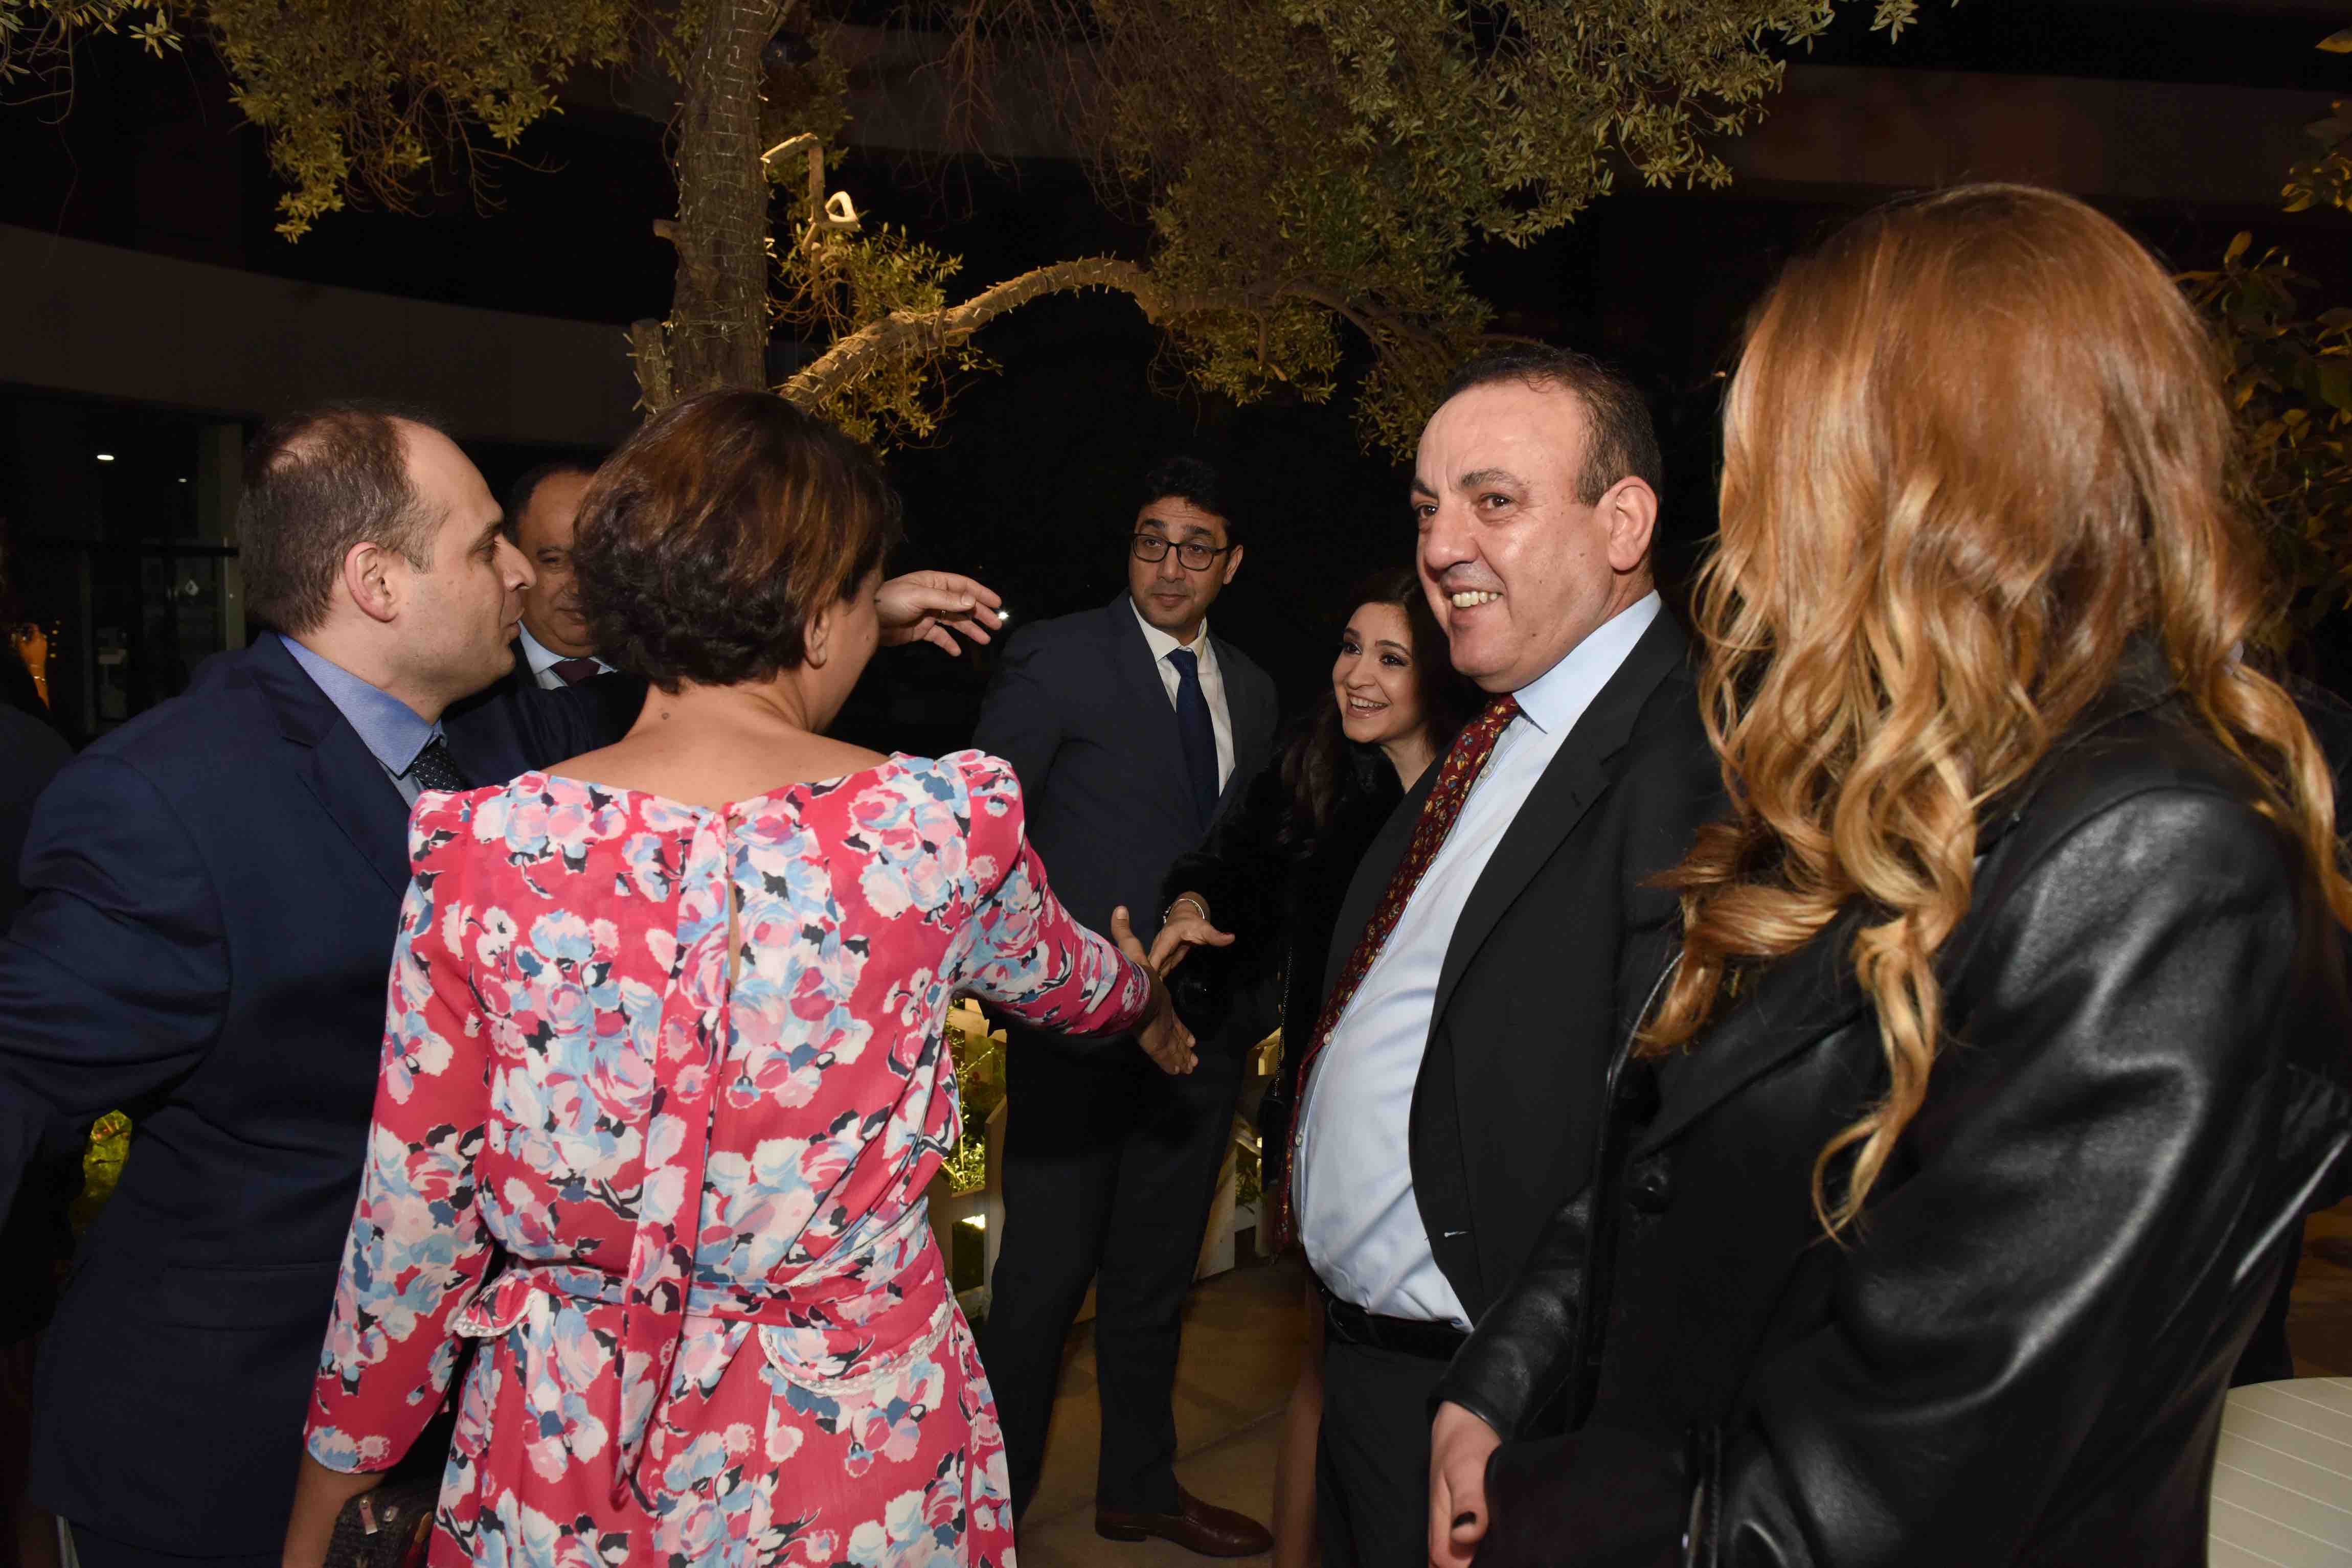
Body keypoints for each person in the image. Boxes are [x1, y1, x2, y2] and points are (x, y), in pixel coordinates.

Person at [1428, 184, 2352, 1568]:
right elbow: (1678, 1164)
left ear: (1933, 477)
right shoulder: (1888, 776)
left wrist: (1538, 1521)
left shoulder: (2155, 856)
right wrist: (1505, 1382)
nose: (1747, 520)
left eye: (1781, 452)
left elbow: (1883, 1493)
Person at [0, 403, 1001, 1566]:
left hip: (486, 1415)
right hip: (228, 1432)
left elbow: (708, 704)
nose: (524, 573)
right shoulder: (166, 798)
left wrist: (839, 605)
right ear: (377, 581)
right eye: (487, 546)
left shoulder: (505, 743)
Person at [285, 389, 1193, 1565]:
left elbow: (415, 1214)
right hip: (854, 1456)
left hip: (568, 1452)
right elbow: (1071, 980)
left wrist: (332, 1487)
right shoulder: (931, 830)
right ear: (823, 618)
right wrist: (1149, 1002)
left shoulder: (487, 851)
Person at [1290, 347, 1723, 1568]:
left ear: (1623, 522)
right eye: (1428, 508)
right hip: (1375, 1377)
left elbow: (1671, 1145)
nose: (1440, 547)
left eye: (1493, 501)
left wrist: (1514, 1380)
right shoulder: (1499, 732)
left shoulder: (1690, 758)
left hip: (1505, 1412)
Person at [973, 457, 1280, 1554]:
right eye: (1153, 539)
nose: (1170, 565)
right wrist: (1054, 981)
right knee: (1040, 1288)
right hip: (1078, 1031)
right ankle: (984, 1519)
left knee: (1154, 1281)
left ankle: (1139, 1488)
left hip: (1196, 1039)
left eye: (1197, 546)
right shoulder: (1057, 656)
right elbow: (986, 836)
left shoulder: (1254, 689)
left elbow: (1243, 850)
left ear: (1231, 564)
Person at [1152, 565, 1478, 1568]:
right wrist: (1191, 907)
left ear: (1440, 673)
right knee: (1322, 1366)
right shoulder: (1317, 770)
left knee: (1443, 1398)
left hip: (1454, 1136)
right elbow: (1234, 868)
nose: (1357, 675)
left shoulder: (1487, 791)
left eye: (1391, 657)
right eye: (1348, 648)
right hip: (1333, 1132)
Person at [506, 459, 614, 687]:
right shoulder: (467, 683)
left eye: (601, 560)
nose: (580, 587)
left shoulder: (672, 670)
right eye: (554, 561)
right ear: (512, 559)